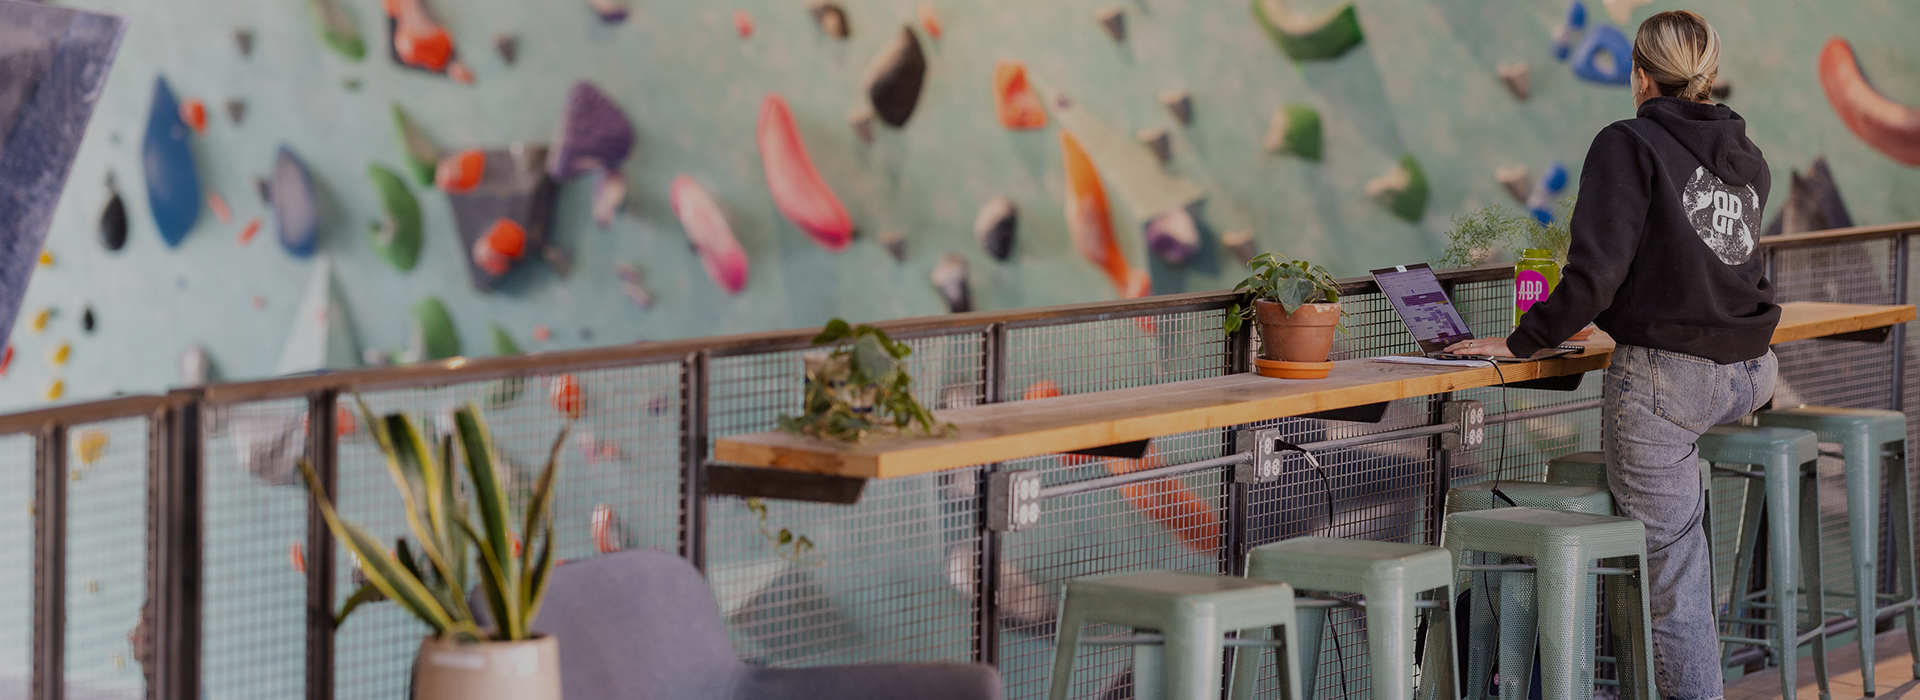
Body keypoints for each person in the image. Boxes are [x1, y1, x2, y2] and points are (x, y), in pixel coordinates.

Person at [1443, 10, 1774, 700]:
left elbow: (1594, 275)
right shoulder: (1745, 152)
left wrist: (1520, 339)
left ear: (1640, 75)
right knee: (1678, 551)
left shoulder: (1628, 142)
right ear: (1706, 76)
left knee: (1673, 577)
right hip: (1747, 372)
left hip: (1670, 382)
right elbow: (1717, 266)